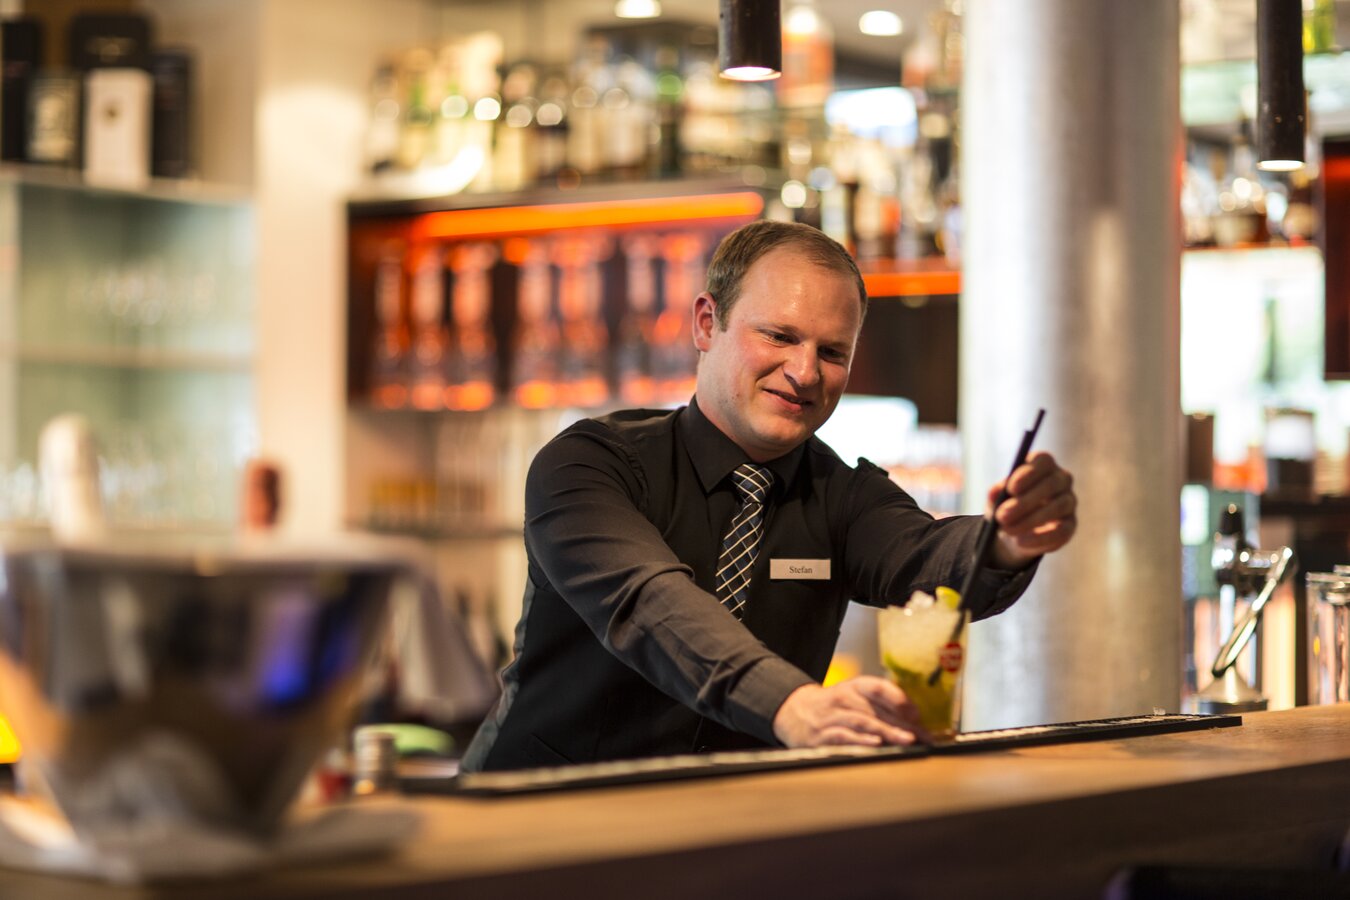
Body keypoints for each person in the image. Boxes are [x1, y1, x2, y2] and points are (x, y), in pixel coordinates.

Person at [461, 220, 1077, 772]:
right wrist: (791, 704)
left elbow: (924, 556)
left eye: (831, 352)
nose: (805, 373)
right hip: (542, 817)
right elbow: (649, 604)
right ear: (708, 323)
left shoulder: (841, 493)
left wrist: (1006, 540)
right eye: (780, 336)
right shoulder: (590, 465)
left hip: (735, 829)